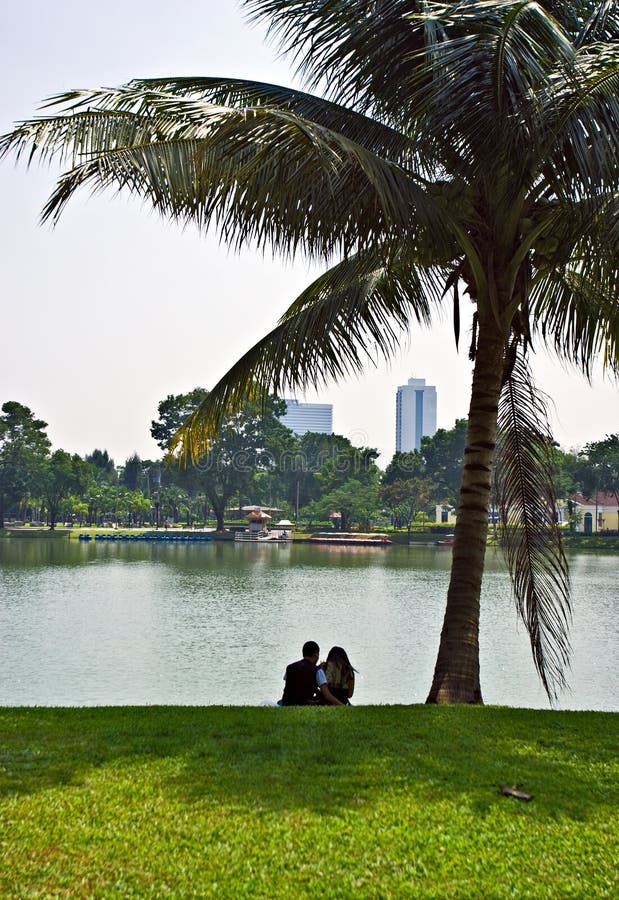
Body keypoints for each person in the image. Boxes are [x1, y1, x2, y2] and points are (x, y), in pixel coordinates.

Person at [281, 640, 345, 706]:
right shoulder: (317, 670)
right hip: (304, 704)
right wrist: (342, 706)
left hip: (286, 703)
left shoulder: (290, 667)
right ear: (316, 654)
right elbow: (327, 695)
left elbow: (291, 687)